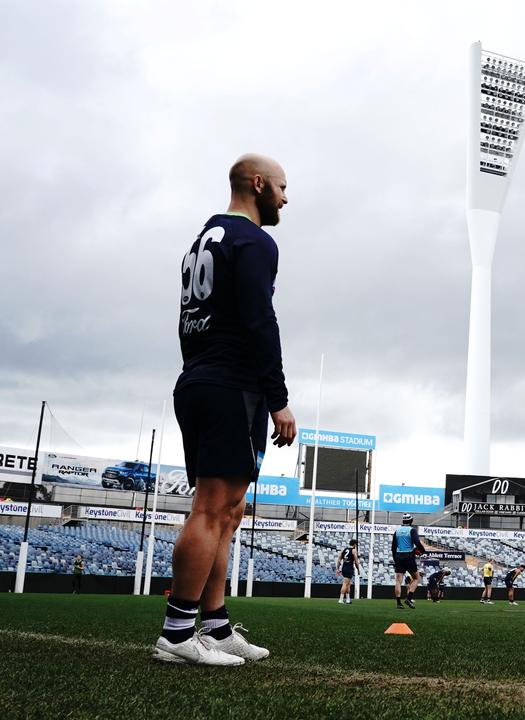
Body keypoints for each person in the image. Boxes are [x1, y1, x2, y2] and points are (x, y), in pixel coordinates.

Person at [154, 154, 296, 667]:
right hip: (230, 385)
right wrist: (278, 398)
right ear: (257, 184)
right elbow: (261, 320)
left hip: (201, 379)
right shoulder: (255, 240)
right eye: (281, 187)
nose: (285, 198)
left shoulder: (203, 239)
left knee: (229, 511)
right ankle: (176, 633)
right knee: (213, 508)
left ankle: (212, 626)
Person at [391, 514, 429, 609]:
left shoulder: (397, 531)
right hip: (409, 555)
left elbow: (393, 547)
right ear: (411, 521)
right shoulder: (412, 530)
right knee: (416, 578)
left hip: (399, 556)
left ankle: (399, 603)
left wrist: (395, 559)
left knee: (398, 581)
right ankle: (409, 598)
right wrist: (422, 550)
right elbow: (417, 542)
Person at [335, 540, 360, 604]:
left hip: (344, 568)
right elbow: (356, 561)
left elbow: (339, 560)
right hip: (349, 568)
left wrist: (337, 568)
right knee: (345, 584)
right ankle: (341, 599)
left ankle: (348, 599)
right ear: (354, 544)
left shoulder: (344, 550)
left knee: (348, 584)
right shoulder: (354, 550)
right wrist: (358, 569)